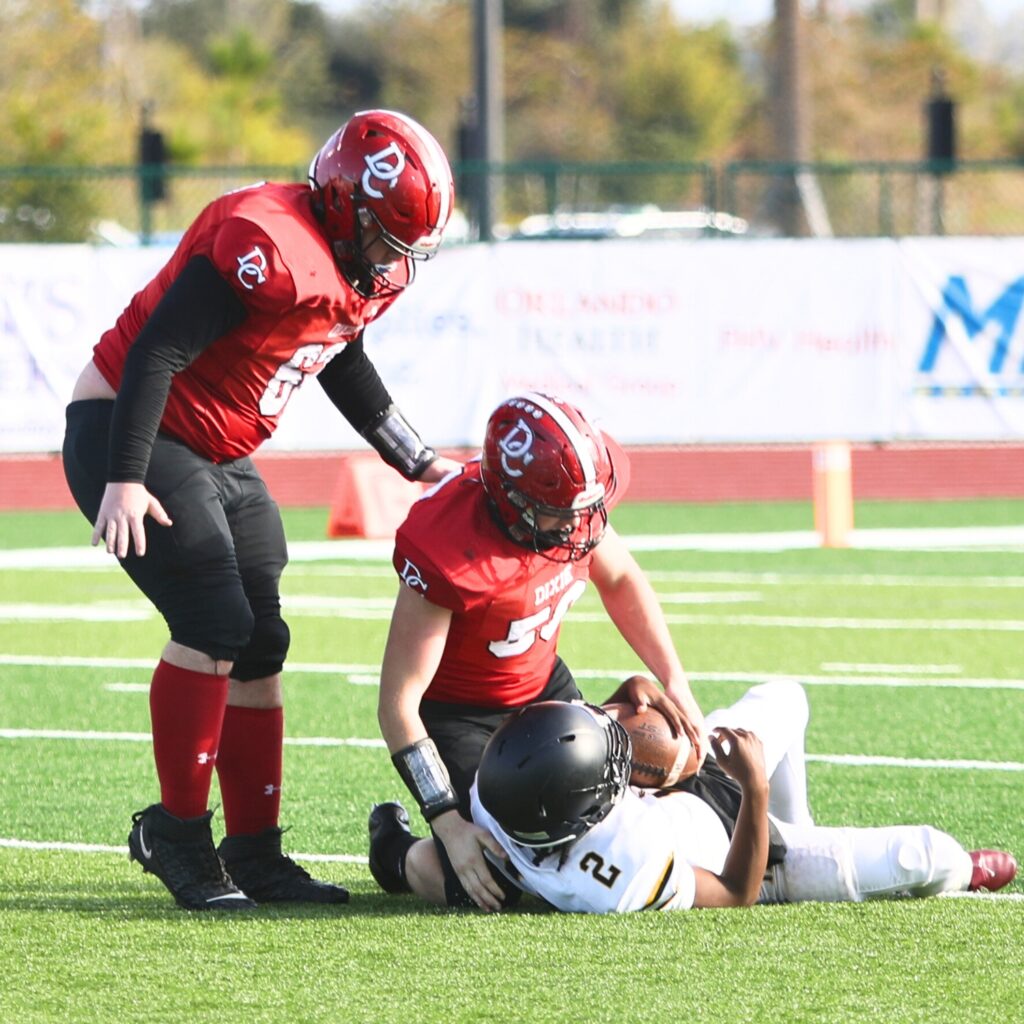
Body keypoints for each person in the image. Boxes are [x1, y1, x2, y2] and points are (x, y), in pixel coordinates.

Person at [62, 108, 460, 911]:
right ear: (346, 204)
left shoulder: (346, 267)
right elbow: (159, 351)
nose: (390, 261)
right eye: (384, 237)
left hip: (212, 446)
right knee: (212, 617)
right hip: (130, 426)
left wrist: (413, 456)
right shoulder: (266, 242)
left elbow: (337, 354)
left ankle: (255, 853)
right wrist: (126, 477)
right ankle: (174, 833)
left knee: (262, 640)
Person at [368, 391, 708, 912]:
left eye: (584, 510)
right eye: (559, 513)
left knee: (628, 800)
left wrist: (673, 678)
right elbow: (399, 703)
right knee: (500, 885)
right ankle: (396, 853)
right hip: (464, 720)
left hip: (544, 691)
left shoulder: (575, 513)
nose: (577, 527)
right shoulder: (450, 546)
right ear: (514, 502)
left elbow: (620, 580)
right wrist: (447, 822)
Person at [457, 679, 1016, 912]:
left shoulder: (500, 791)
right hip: (750, 852)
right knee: (923, 854)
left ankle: (801, 819)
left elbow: (571, 745)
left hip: (695, 791)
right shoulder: (618, 871)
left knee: (785, 695)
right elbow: (733, 892)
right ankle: (961, 869)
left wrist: (625, 696)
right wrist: (755, 787)